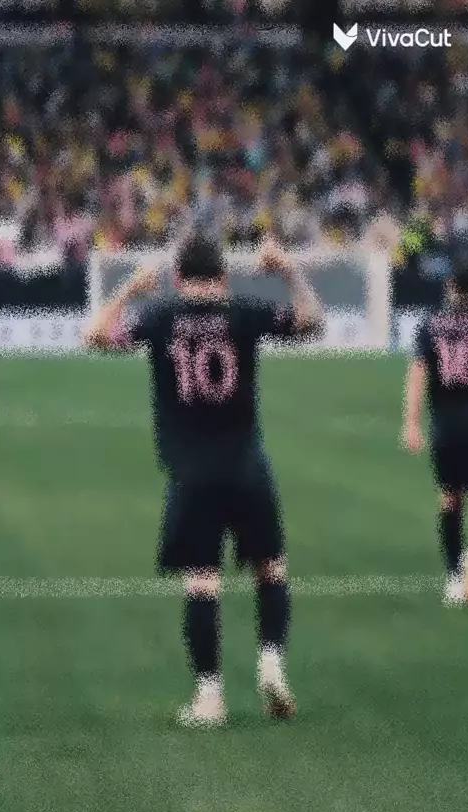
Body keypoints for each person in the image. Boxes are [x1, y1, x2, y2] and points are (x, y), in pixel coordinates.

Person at [84, 233, 325, 725]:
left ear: (177, 278)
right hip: (247, 465)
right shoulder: (245, 311)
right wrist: (289, 271)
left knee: (202, 581)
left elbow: (94, 336)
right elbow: (312, 323)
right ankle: (271, 662)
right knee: (271, 569)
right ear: (224, 275)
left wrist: (128, 288)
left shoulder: (160, 316)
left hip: (191, 472)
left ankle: (210, 697)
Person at [403, 256, 468, 605]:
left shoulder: (431, 324)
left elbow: (418, 372)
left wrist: (411, 423)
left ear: (450, 287)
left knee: (449, 498)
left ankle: (454, 576)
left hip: (446, 424)